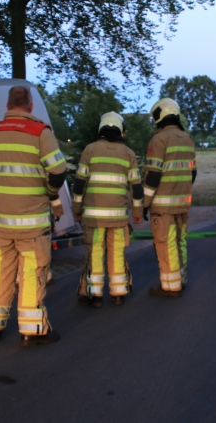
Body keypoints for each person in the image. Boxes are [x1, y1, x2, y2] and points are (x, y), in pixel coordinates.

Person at [0, 86, 67, 346]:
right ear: (30, 106)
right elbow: (58, 172)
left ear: (8, 105)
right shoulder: (40, 133)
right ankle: (33, 331)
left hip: (0, 222)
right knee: (31, 274)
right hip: (32, 224)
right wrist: (47, 192)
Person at [72, 112, 144, 308]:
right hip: (119, 218)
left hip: (93, 218)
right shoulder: (128, 153)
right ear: (120, 130)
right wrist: (137, 213)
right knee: (117, 253)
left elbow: (79, 185)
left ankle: (94, 296)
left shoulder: (90, 150)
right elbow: (136, 188)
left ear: (101, 128)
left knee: (94, 252)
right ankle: (118, 293)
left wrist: (76, 209)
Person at [143, 98, 197, 297]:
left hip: (163, 206)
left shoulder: (159, 139)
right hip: (183, 204)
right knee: (180, 241)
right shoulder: (187, 138)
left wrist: (144, 204)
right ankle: (181, 279)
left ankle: (171, 286)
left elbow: (153, 176)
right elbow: (193, 173)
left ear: (161, 115)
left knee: (166, 244)